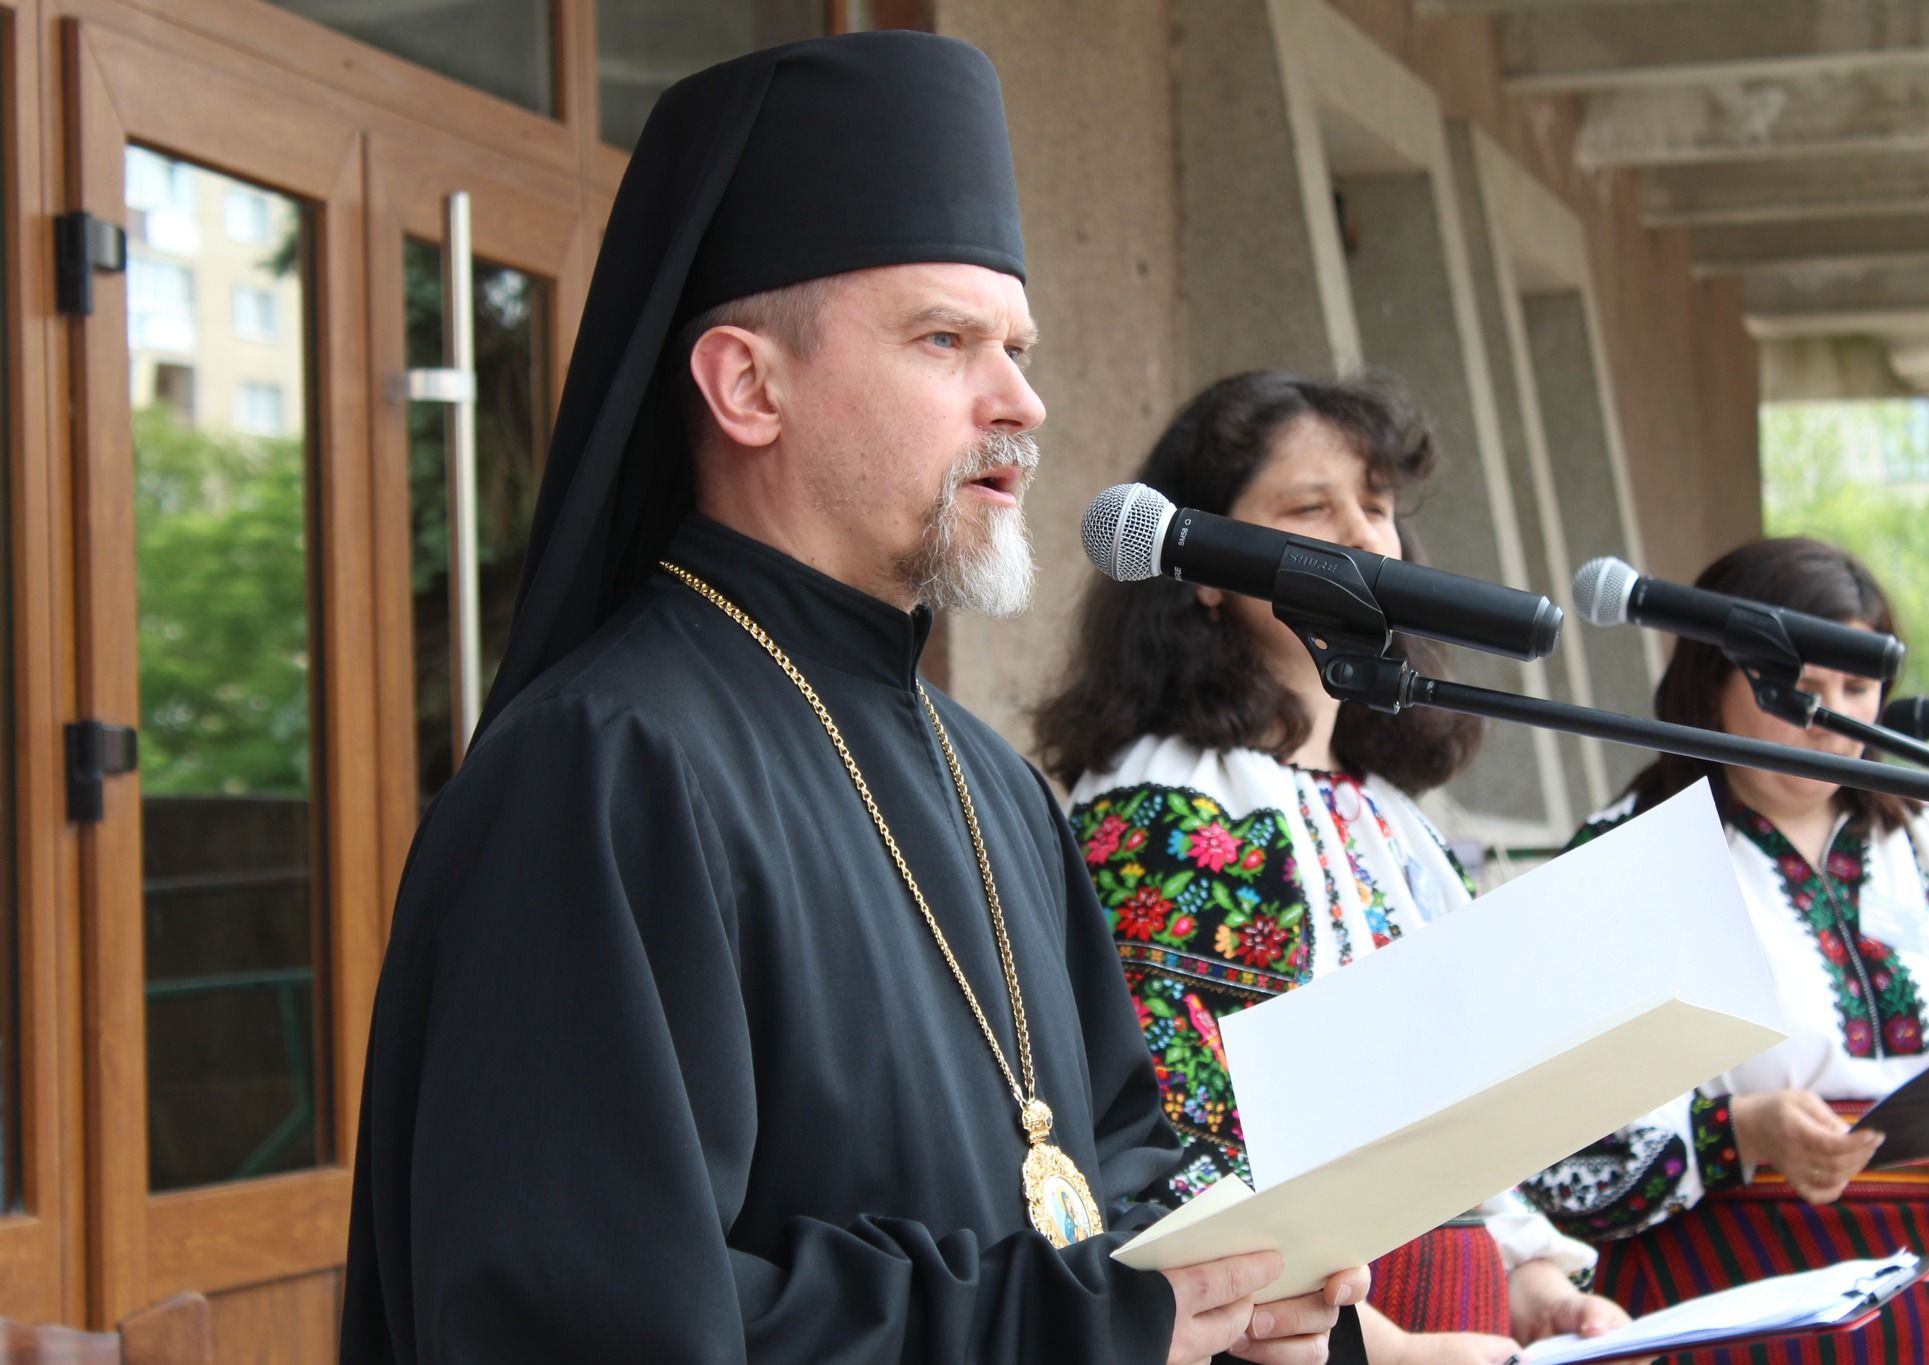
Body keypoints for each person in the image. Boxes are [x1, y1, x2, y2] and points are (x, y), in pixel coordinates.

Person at [339, 34, 1368, 1365]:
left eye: (1018, 345)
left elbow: (1115, 1172)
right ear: (747, 384)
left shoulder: (989, 778)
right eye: (947, 340)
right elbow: (592, 1321)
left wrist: (1244, 1306)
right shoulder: (603, 768)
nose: (1022, 402)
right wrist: (1087, 1327)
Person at [1035, 371, 1630, 1365]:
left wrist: (1530, 1278)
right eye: (1310, 507)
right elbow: (1169, 1152)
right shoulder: (1166, 811)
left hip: (1449, 1305)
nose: (1361, 536)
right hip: (1301, 1337)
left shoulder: (1382, 809)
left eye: (1377, 506)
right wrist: (1382, 1348)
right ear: (1204, 567)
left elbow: (1457, 1092)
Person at [1520, 536, 1929, 1364]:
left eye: (1856, 688)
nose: (1828, 718)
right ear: (1714, 680)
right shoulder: (1628, 852)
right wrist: (1739, 1130)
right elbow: (1546, 1144)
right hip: (1719, 1291)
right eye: (1796, 688)